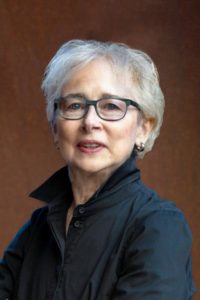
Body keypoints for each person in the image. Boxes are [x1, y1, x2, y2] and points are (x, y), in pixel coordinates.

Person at [0, 39, 196, 300]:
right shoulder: (36, 229)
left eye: (111, 106)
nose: (90, 122)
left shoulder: (158, 227)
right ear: (55, 128)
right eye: (74, 106)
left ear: (143, 128)